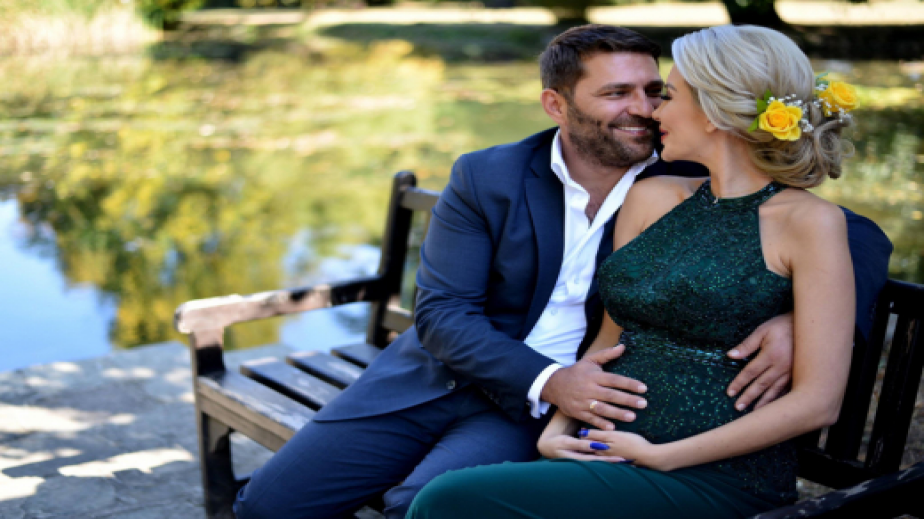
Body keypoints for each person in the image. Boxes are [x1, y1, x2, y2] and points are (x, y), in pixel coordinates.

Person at [234, 25, 891, 519]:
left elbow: (847, 233)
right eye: (617, 93)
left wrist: (795, 317)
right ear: (556, 104)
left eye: (655, 90)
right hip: (452, 378)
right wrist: (553, 385)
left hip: (558, 412)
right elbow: (442, 313)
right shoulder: (488, 175)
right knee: (268, 506)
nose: (645, 108)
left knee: (422, 502)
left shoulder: (685, 169)